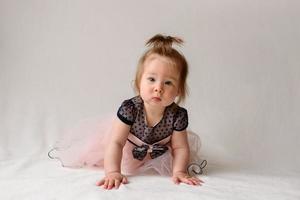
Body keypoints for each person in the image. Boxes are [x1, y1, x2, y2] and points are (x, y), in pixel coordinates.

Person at [48, 34, 205, 190]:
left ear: (179, 90)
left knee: (177, 157)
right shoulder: (130, 109)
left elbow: (180, 148)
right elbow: (116, 143)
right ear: (138, 82)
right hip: (126, 150)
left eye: (168, 82)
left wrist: (179, 171)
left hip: (159, 152)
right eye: (151, 79)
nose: (158, 88)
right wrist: (113, 172)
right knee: (102, 154)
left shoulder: (177, 115)